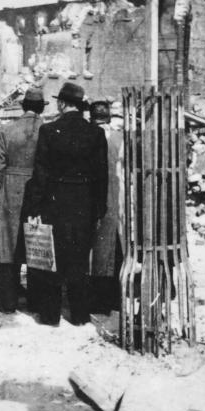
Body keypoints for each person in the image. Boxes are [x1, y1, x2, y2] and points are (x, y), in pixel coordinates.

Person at [26, 82, 108, 326]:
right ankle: (80, 316)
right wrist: (99, 209)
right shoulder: (96, 133)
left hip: (55, 201)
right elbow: (101, 176)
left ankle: (51, 316)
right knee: (79, 259)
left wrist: (35, 207)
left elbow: (40, 173)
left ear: (61, 103)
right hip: (84, 203)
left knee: (53, 259)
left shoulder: (49, 131)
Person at [0, 87, 46, 313]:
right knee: (37, 243)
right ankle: (36, 301)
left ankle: (7, 301)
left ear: (23, 106)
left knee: (8, 244)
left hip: (10, 189)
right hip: (38, 191)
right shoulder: (48, 130)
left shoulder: (7, 130)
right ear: (41, 108)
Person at [88, 100, 125, 314]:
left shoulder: (86, 138)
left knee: (92, 251)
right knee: (113, 249)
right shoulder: (119, 139)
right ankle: (113, 299)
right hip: (116, 200)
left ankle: (94, 299)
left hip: (90, 200)